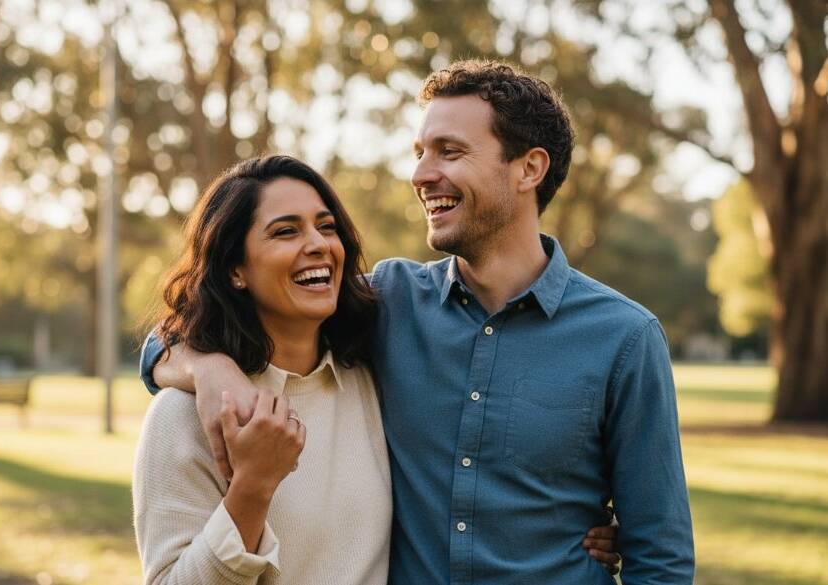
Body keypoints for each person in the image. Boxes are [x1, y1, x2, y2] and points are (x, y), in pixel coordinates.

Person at [145, 60, 677, 583]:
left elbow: (661, 557)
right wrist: (209, 369)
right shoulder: (390, 301)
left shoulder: (624, 339)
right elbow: (187, 329)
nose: (421, 174)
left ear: (529, 169)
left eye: (449, 152)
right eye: (421, 153)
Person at [133, 156, 392, 584]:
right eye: (285, 231)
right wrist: (253, 485)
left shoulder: (370, 374)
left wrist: (201, 363)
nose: (318, 244)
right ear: (236, 269)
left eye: (326, 227)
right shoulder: (182, 414)